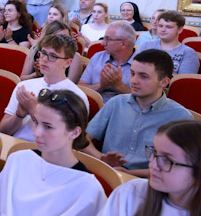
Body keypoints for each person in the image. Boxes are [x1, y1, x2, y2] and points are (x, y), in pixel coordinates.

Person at [82, 49, 193, 177]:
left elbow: (178, 167)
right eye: (132, 73)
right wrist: (101, 158)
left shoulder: (180, 118)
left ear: (164, 82)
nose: (134, 81)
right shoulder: (116, 103)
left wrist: (129, 173)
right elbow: (84, 140)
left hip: (149, 181)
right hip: (108, 173)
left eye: (143, 76)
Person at [0, 34, 89, 141]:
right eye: (43, 53)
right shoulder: (24, 86)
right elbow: (4, 130)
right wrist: (19, 114)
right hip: (15, 144)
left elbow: (68, 141)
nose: (45, 59)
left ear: (67, 63)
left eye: (53, 56)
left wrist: (34, 110)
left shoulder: (76, 96)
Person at [79, 21, 137, 101]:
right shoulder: (98, 57)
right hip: (96, 106)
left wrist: (118, 85)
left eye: (108, 39)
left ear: (123, 44)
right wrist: (101, 85)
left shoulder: (143, 63)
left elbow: (144, 100)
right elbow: (81, 88)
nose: (102, 43)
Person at [137, 10, 200, 74]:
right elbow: (133, 69)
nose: (163, 30)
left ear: (180, 30)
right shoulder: (146, 46)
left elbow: (183, 79)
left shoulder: (188, 53)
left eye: (168, 27)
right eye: (160, 26)